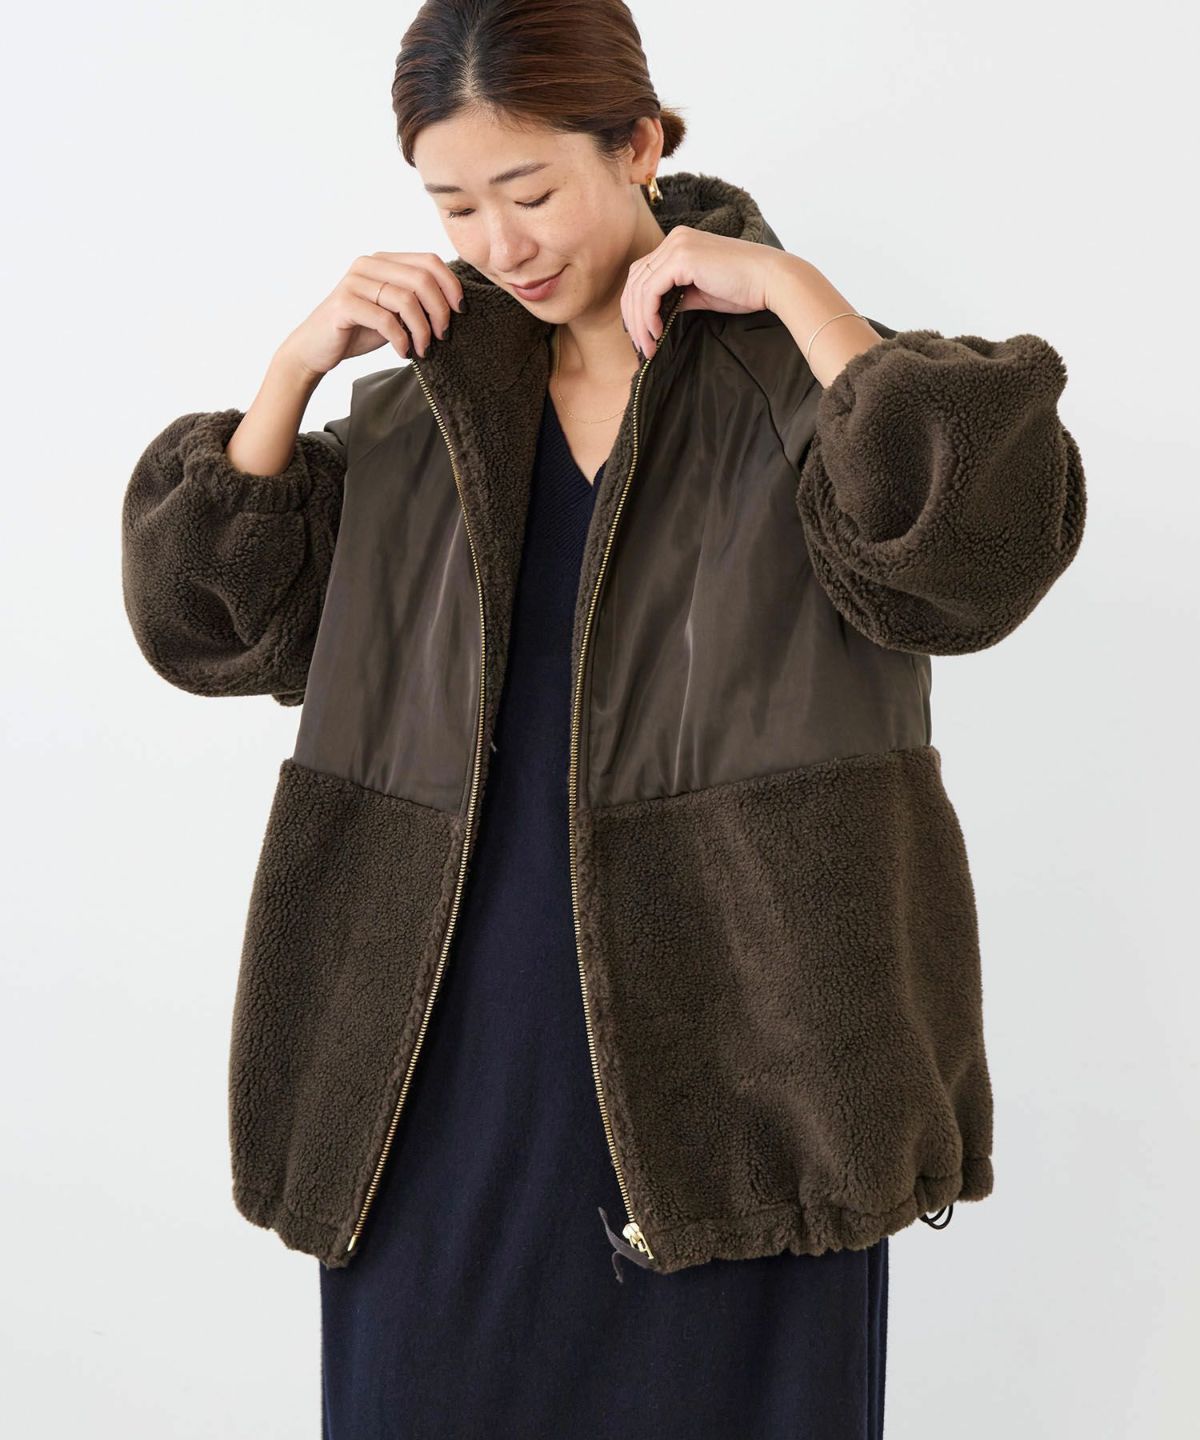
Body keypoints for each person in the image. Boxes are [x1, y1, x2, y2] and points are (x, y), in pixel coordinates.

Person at [120, 2, 1087, 1435]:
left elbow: (973, 547)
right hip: (440, 1065)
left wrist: (794, 288)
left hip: (751, 1066)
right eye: (454, 205)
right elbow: (203, 624)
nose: (500, 244)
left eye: (530, 190)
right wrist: (292, 370)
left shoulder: (804, 391)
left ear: (637, 145)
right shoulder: (414, 424)